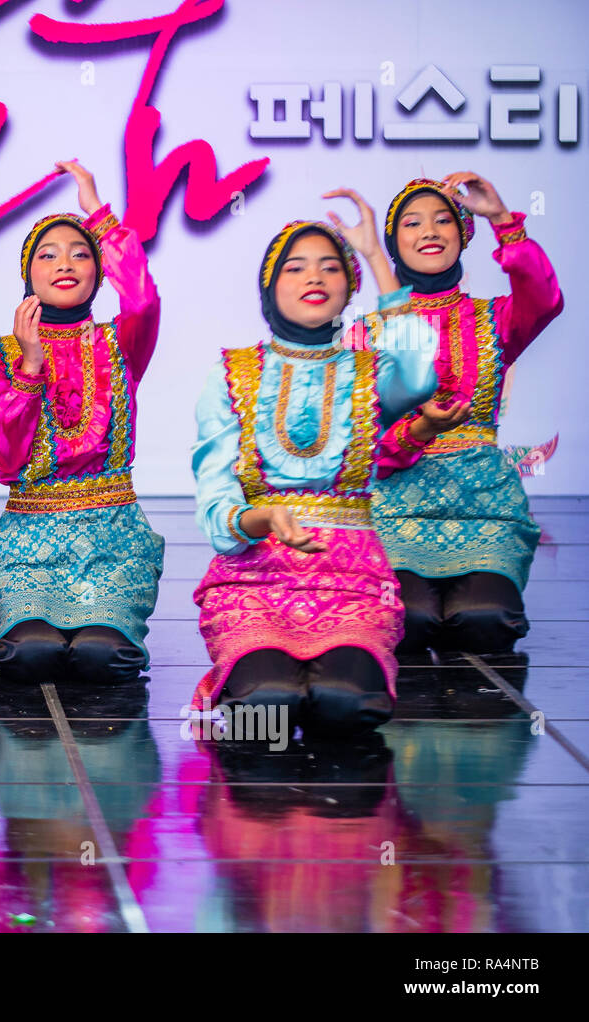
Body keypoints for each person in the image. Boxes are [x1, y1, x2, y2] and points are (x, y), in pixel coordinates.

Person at [191, 193, 438, 736]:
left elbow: (422, 375)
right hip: (255, 577)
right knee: (267, 708)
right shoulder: (230, 374)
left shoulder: (371, 373)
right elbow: (216, 508)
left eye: (331, 267)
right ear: (269, 287)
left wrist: (377, 259)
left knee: (344, 705)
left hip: (352, 581)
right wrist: (264, 520)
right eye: (296, 266)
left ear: (349, 289)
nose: (315, 277)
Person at [0, 161, 163, 684]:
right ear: (27, 276)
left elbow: (144, 298)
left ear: (99, 270)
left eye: (81, 253)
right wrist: (30, 367)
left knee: (102, 659)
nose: (65, 263)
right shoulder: (6, 352)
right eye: (48, 255)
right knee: (29, 657)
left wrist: (98, 215)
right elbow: (4, 457)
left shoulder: (120, 342)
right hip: (31, 541)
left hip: (112, 539)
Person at [371, 174, 563, 656]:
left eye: (444, 220)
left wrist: (501, 218)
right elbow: (363, 446)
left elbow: (544, 299)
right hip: (395, 506)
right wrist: (417, 432)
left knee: (485, 623)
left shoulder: (494, 318)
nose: (430, 231)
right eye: (413, 223)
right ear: (394, 243)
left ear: (463, 235)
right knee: (407, 622)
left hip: (485, 505)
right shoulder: (366, 334)